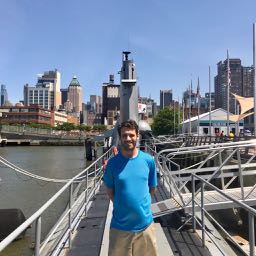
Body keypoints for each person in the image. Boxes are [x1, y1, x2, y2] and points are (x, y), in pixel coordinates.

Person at [103, 119, 158, 256]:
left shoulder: (149, 161)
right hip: (120, 228)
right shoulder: (112, 164)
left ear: (137, 136)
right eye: (124, 135)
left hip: (145, 227)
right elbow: (110, 192)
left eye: (131, 135)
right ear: (120, 138)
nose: (128, 138)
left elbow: (152, 188)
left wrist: (140, 206)